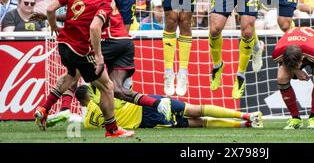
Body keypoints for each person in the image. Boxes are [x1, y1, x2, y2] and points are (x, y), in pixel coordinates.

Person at [34, 0, 134, 138]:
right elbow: (95, 28)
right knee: (107, 86)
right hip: (81, 50)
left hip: (63, 44)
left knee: (71, 75)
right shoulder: (106, 0)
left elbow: (50, 8)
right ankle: (112, 130)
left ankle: (44, 108)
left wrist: (54, 26)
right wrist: (99, 56)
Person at [47, 84, 263, 129]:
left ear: (80, 102)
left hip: (148, 122)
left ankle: (244, 126)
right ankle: (246, 115)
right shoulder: (106, 99)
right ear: (90, 94)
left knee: (196, 123)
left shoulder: (88, 121)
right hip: (149, 104)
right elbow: (126, 94)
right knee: (195, 109)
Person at [272, 27, 314, 129]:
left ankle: (313, 118)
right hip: (293, 45)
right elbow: (284, 62)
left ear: (302, 59)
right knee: (281, 78)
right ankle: (296, 119)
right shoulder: (277, 53)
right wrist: (296, 71)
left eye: (298, 65)